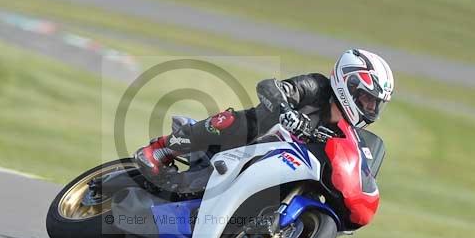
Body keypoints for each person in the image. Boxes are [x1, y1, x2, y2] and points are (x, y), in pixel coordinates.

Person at [134, 49, 395, 177]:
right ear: (346, 84)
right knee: (241, 122)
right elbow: (270, 87)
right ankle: (163, 148)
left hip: (278, 168)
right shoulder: (316, 87)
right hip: (250, 141)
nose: (369, 108)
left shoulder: (348, 134)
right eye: (366, 98)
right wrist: (286, 111)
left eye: (375, 104)